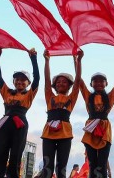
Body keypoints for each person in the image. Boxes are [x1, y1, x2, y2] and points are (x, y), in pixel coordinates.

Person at [0, 48, 39, 178]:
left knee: (16, 154)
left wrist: (33, 59)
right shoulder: (7, 92)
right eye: (17, 79)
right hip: (5, 123)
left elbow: (37, 78)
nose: (19, 82)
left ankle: (12, 175)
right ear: (13, 81)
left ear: (28, 83)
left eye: (23, 80)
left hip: (20, 124)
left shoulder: (29, 94)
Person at [80, 50, 114, 178]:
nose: (99, 83)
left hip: (105, 130)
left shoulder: (110, 97)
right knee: (92, 164)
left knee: (102, 163)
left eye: (102, 81)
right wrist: (77, 60)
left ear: (106, 84)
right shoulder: (88, 96)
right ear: (91, 84)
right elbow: (79, 80)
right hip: (90, 129)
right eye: (96, 81)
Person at [41, 50, 83, 178]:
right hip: (49, 133)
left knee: (61, 167)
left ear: (69, 85)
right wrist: (47, 61)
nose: (61, 83)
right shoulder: (50, 96)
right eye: (58, 81)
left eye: (64, 82)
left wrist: (78, 61)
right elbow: (47, 80)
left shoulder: (71, 97)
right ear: (55, 85)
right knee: (47, 166)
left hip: (65, 133)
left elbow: (77, 82)